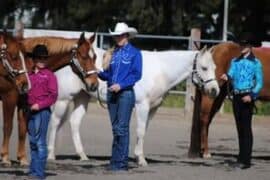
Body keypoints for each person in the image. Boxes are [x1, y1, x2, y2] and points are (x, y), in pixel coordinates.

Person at [98, 22, 142, 171]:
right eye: (116, 36)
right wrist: (98, 73)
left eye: (119, 36)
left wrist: (121, 85)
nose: (117, 39)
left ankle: (121, 163)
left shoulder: (135, 53)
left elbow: (137, 74)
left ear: (126, 36)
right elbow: (109, 74)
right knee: (116, 128)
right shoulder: (113, 53)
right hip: (112, 94)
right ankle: (115, 161)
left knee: (122, 128)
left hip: (125, 94)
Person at [221, 45, 263, 169]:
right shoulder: (235, 61)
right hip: (237, 96)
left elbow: (259, 82)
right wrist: (227, 77)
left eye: (244, 45)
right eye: (241, 45)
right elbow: (231, 74)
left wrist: (252, 95)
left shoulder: (256, 63)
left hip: (247, 96)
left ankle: (246, 160)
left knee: (246, 128)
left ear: (249, 47)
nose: (242, 47)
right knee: (239, 128)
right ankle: (241, 157)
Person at [27, 44, 58, 179]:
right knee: (33, 142)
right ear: (34, 59)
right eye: (39, 58)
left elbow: (53, 95)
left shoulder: (49, 76)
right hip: (30, 111)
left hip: (42, 112)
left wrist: (39, 105)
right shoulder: (29, 75)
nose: (41, 61)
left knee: (40, 142)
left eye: (44, 58)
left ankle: (39, 173)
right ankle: (33, 170)